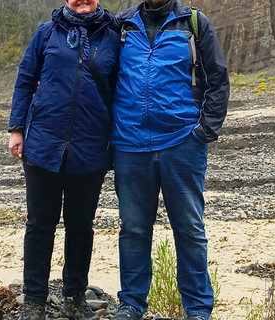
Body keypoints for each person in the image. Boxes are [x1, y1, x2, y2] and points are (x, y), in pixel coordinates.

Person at [110, 1, 229, 320]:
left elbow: (218, 78)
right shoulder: (122, 24)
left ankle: (198, 309)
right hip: (130, 144)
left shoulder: (193, 22)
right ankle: (132, 303)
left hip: (182, 143)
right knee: (133, 228)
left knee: (189, 227)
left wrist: (204, 131)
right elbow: (101, 71)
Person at [7, 0, 120, 319]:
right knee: (40, 225)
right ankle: (33, 299)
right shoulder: (46, 34)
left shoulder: (113, 37)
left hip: (91, 148)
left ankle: (74, 295)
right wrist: (17, 129)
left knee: (81, 225)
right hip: (43, 145)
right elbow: (25, 81)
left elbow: (121, 90)